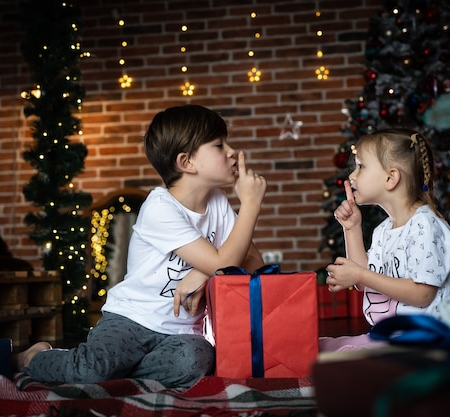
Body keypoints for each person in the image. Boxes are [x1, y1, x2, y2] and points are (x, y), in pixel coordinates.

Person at [14, 104, 266, 387]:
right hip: (131, 321)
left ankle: (122, 372)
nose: (232, 151)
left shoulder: (218, 203)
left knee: (198, 359)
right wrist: (251, 205)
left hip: (180, 332)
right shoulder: (160, 206)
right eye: (220, 145)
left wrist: (206, 273)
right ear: (187, 163)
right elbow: (226, 264)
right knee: (92, 371)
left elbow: (254, 262)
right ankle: (34, 357)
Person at [319, 128, 450, 352]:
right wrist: (352, 229)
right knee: (317, 348)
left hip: (429, 340)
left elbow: (422, 295)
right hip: (392, 336)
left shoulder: (426, 226)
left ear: (391, 177)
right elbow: (366, 281)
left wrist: (359, 274)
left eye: (361, 166)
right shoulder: (384, 231)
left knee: (344, 361)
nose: (352, 176)